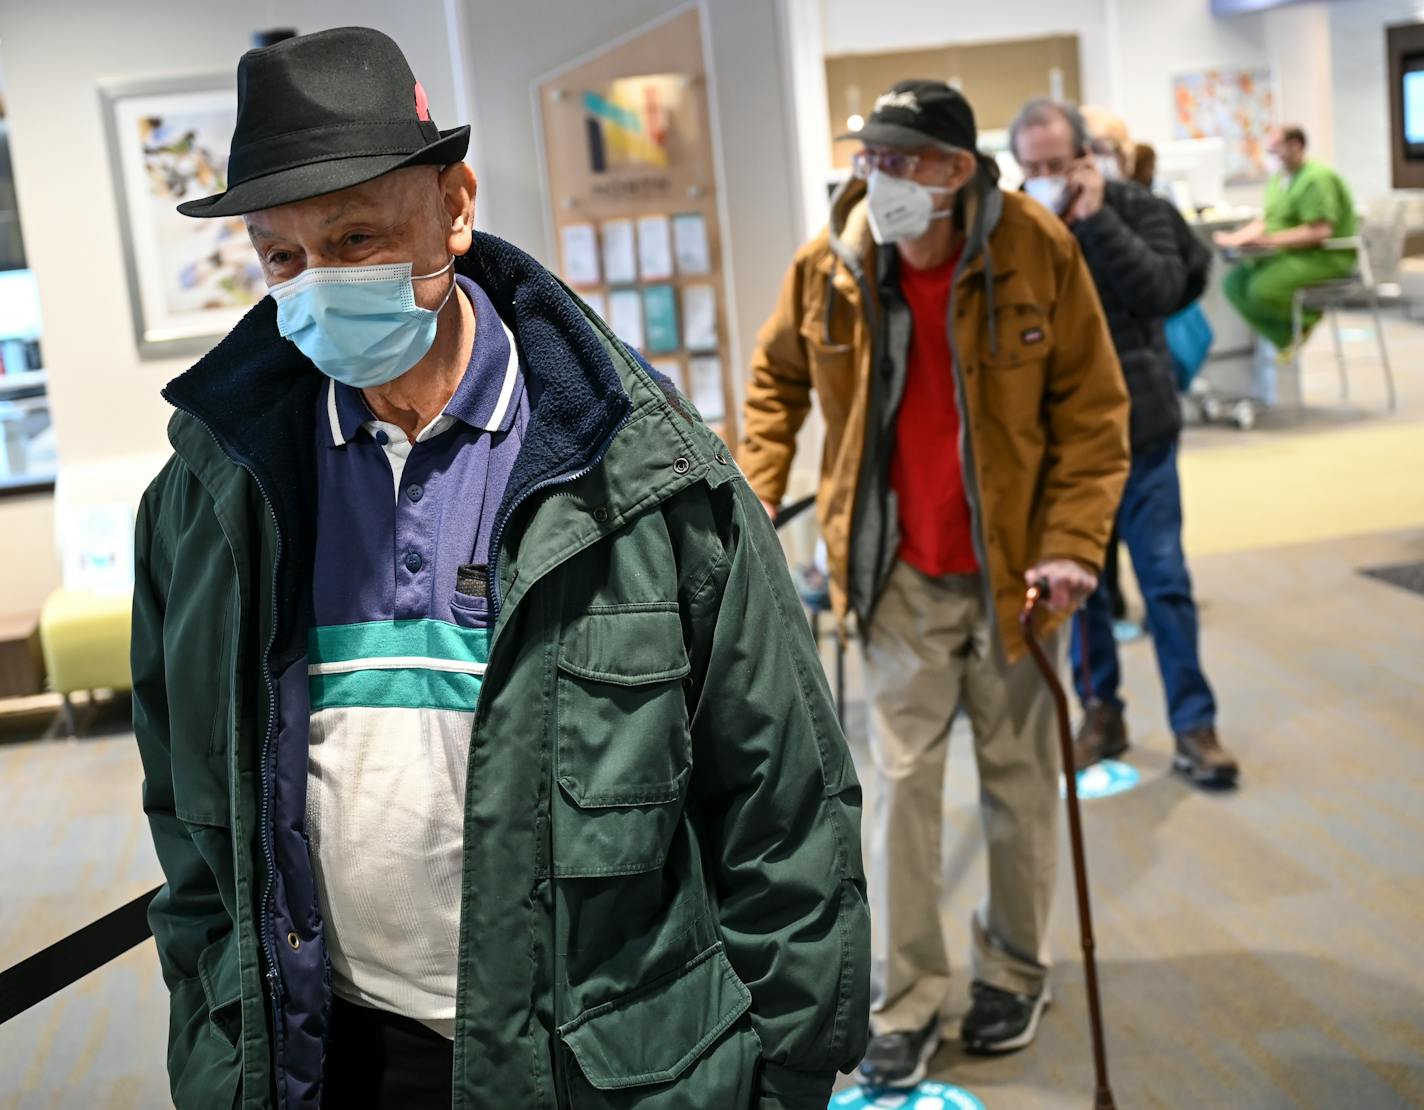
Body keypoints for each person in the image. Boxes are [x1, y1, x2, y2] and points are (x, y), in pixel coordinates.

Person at [131, 27, 869, 1110]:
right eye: (283, 256)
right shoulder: (207, 500)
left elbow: (783, 804)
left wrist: (790, 1072)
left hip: (601, 1069)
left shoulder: (646, 478)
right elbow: (187, 816)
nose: (318, 284)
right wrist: (214, 1034)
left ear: (455, 205)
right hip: (327, 1057)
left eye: (355, 239)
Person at [740, 79, 1129, 1089]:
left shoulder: (1035, 250)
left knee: (1015, 788)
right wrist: (751, 499)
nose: (881, 177)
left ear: (957, 172)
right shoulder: (829, 264)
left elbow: (1093, 412)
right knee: (901, 793)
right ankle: (904, 996)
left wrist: (1073, 545)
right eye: (871, 156)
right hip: (896, 571)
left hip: (1017, 577)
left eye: (904, 159)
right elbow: (774, 381)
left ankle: (1013, 969)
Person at [1011, 98, 1239, 788]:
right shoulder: (1014, 228)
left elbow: (1162, 291)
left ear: (1085, 156)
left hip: (1141, 432)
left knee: (1165, 582)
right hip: (1058, 448)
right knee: (1077, 591)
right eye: (1033, 168)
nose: (1047, 177)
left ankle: (1194, 727)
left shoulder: (1138, 208)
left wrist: (1096, 217)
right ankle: (1100, 713)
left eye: (1059, 164)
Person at [1215, 126, 1357, 360]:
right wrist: (1235, 239)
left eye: (1276, 149)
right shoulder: (1280, 179)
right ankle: (1288, 336)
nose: (1273, 156)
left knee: (1261, 289)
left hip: (1324, 256)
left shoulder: (1317, 178)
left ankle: (1308, 318)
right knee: (1234, 283)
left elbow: (1320, 230)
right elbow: (1268, 219)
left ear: (1296, 145)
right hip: (1289, 254)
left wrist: (1269, 240)